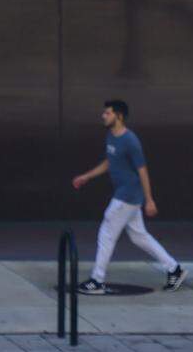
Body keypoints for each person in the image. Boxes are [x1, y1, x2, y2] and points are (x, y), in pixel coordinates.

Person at [71, 99, 186, 294]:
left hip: (128, 195)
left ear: (119, 116)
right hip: (125, 194)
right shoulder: (111, 136)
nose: (103, 116)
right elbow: (110, 161)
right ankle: (174, 269)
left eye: (107, 113)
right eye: (104, 113)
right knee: (139, 237)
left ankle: (97, 281)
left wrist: (149, 199)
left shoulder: (130, 141)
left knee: (106, 233)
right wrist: (87, 176)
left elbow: (142, 171)